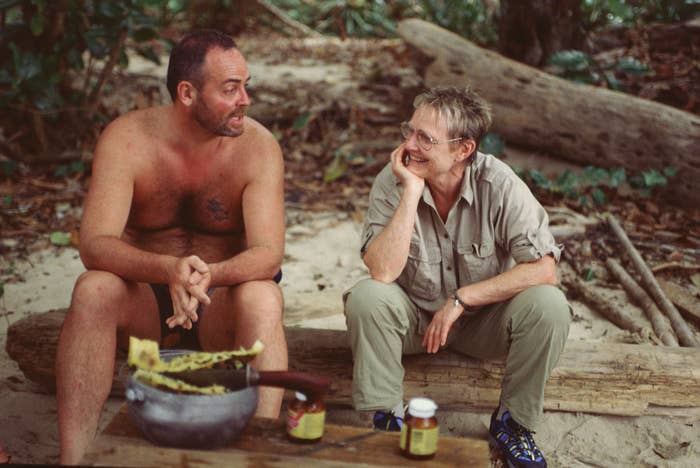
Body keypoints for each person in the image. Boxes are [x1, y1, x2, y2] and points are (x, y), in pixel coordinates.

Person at [55, 30, 287, 465]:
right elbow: (94, 245)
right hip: (148, 308)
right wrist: (167, 268)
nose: (245, 100)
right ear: (186, 92)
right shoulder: (127, 139)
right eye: (230, 89)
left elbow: (268, 253)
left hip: (218, 308)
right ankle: (74, 458)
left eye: (246, 85)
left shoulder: (258, 147)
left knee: (264, 294)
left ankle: (260, 455)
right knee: (93, 288)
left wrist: (209, 275)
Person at [343, 86, 570, 467]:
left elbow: (545, 268)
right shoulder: (394, 179)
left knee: (550, 305)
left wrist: (463, 299)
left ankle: (512, 424)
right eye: (409, 131)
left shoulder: (498, 183)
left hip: (483, 325)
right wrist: (411, 192)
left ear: (463, 149)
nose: (409, 145)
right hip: (414, 322)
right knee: (367, 296)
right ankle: (387, 420)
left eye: (425, 139)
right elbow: (381, 270)